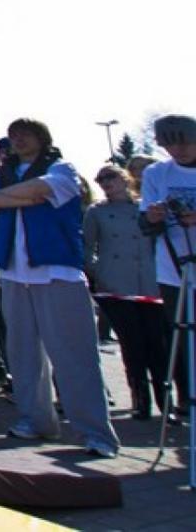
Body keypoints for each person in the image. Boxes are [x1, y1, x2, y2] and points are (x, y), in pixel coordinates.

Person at [0, 118, 120, 458]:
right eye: (13, 136)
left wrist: (5, 198)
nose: (19, 140)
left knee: (74, 356)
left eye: (26, 134)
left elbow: (40, 190)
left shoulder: (62, 168)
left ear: (42, 138)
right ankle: (36, 420)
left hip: (57, 272)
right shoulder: (0, 173)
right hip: (14, 273)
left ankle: (96, 433)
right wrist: (23, 198)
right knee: (23, 355)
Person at [86, 163, 164, 419]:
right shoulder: (97, 212)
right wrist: (99, 272)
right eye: (101, 180)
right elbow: (87, 247)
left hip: (149, 282)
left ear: (125, 179)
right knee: (132, 344)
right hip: (116, 285)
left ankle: (165, 401)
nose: (106, 183)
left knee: (157, 343)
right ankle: (140, 400)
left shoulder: (144, 208)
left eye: (111, 177)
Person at [137, 114, 196, 420]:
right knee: (182, 336)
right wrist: (153, 217)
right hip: (174, 269)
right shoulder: (156, 173)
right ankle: (187, 398)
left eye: (185, 142)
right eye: (170, 145)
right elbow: (144, 223)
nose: (178, 150)